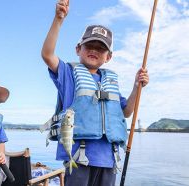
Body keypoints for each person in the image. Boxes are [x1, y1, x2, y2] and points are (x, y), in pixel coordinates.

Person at [41, 1, 149, 186]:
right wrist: (59, 19)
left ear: (108, 56)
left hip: (109, 160)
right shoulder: (68, 74)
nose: (93, 50)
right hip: (79, 159)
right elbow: (47, 54)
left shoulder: (110, 82)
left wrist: (136, 87)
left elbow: (127, 111)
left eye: (100, 48)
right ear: (78, 49)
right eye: (89, 45)